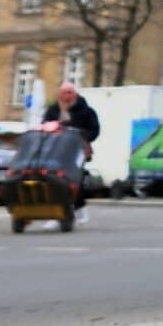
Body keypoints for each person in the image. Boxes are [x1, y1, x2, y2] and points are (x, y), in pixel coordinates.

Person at [40, 82, 101, 222]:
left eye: (70, 93)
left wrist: (81, 135)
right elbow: (44, 125)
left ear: (75, 94)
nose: (66, 97)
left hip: (77, 150)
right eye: (64, 93)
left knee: (74, 179)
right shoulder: (53, 110)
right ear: (59, 95)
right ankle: (55, 214)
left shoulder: (86, 111)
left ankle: (80, 209)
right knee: (53, 180)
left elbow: (94, 131)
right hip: (55, 151)